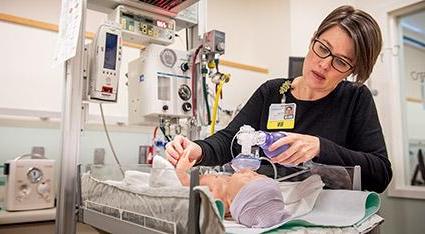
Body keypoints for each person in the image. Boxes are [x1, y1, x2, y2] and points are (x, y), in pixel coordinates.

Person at [166, 5, 392, 193]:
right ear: (313, 39)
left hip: (330, 218)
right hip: (271, 212)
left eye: (341, 62)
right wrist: (198, 149)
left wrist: (320, 147)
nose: (324, 64)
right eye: (323, 48)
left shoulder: (355, 98)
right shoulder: (273, 92)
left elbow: (380, 174)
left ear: (352, 70)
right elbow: (231, 140)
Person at [174, 154, 289, 228]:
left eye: (250, 177)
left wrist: (181, 171)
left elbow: (188, 188)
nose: (249, 171)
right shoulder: (230, 184)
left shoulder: (218, 197)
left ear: (236, 200)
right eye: (256, 174)